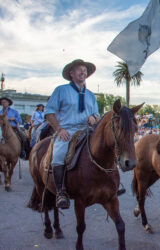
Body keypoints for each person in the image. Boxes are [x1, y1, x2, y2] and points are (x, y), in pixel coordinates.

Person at [45, 59, 100, 209]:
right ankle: (61, 192)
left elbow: (97, 114)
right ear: (71, 73)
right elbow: (49, 112)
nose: (83, 72)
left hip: (87, 129)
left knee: (105, 146)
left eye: (85, 70)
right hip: (67, 130)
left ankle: (108, 183)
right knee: (59, 153)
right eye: (79, 69)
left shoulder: (90, 95)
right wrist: (59, 130)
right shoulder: (61, 90)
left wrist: (93, 118)